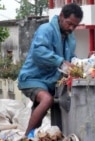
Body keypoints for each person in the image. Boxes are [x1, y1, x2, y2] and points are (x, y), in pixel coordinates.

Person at [17, 3, 83, 139]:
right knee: (47, 100)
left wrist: (78, 65)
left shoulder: (70, 38)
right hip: (32, 78)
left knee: (40, 113)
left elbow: (70, 57)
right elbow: (38, 52)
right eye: (69, 23)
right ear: (61, 17)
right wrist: (60, 62)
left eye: (74, 26)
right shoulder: (45, 29)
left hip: (49, 82)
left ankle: (34, 135)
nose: (71, 28)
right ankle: (26, 137)